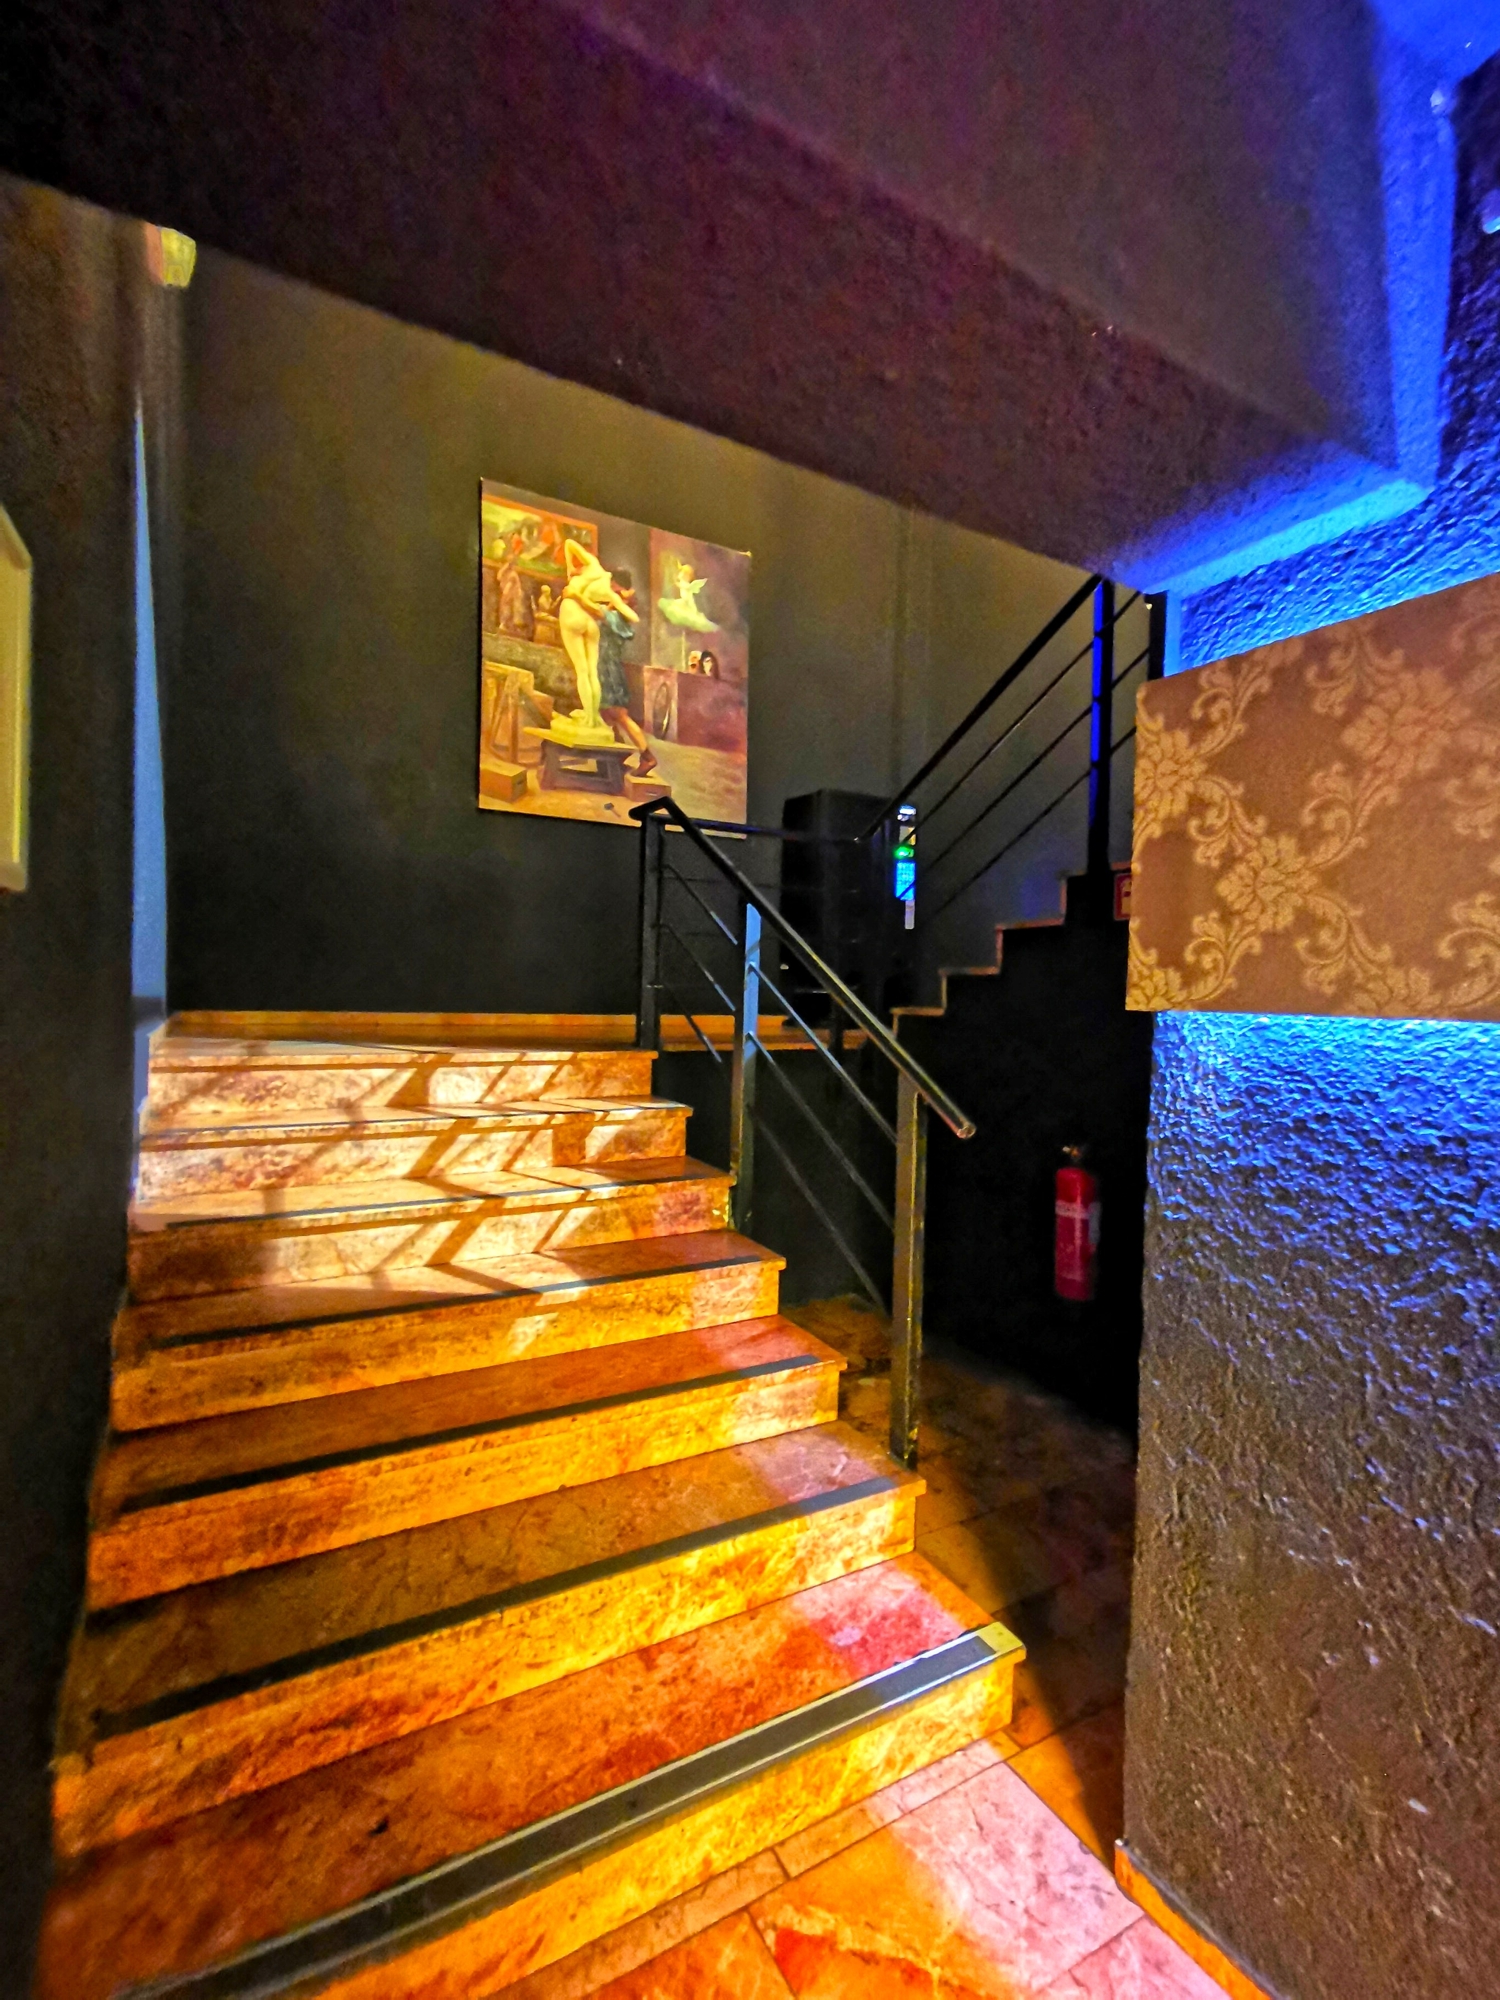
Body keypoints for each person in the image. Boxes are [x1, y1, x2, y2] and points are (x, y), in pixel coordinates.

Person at [596, 569, 656, 775]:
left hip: (609, 669)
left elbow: (597, 613)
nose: (611, 594)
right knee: (605, 713)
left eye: (615, 589)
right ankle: (618, 753)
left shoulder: (618, 618)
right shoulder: (614, 613)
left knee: (619, 715)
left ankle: (647, 756)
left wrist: (576, 596)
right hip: (604, 668)